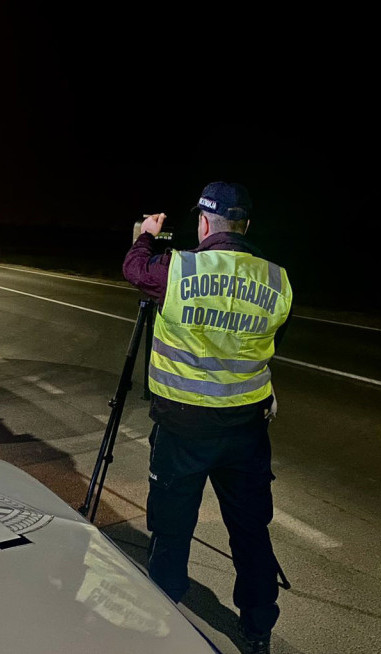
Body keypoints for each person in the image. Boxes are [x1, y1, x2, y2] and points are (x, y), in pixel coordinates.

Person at [123, 181, 292, 654]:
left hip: (183, 428)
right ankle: (258, 631)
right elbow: (262, 345)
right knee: (250, 532)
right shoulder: (278, 280)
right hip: (245, 429)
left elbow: (134, 270)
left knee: (173, 527)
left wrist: (146, 235)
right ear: (247, 225)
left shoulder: (179, 268)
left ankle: (163, 618)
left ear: (202, 222)